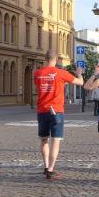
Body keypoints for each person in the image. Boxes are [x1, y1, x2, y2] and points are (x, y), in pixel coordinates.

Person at [34, 50, 85, 179]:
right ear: (56, 59)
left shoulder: (37, 73)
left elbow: (39, 85)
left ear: (45, 59)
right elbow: (80, 83)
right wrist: (79, 74)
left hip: (42, 110)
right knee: (55, 141)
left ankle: (46, 167)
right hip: (56, 110)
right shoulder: (61, 73)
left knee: (44, 139)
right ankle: (51, 170)